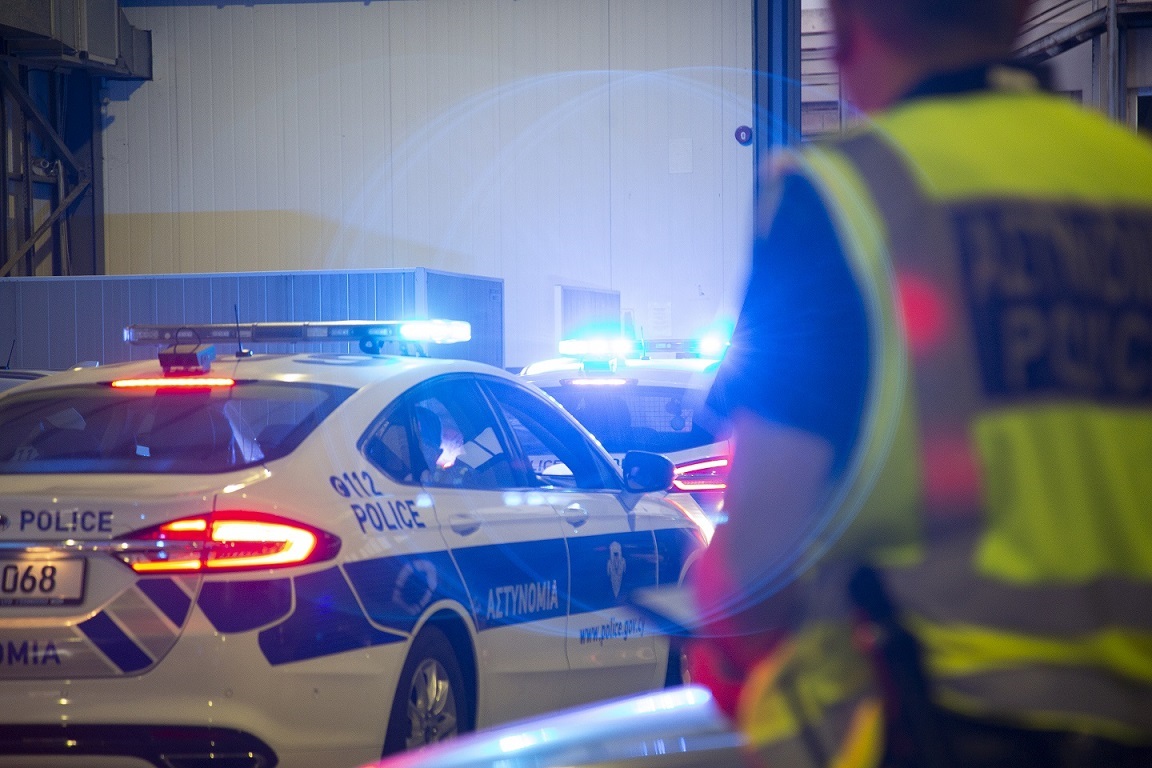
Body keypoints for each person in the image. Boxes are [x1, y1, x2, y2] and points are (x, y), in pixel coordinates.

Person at [689, 0, 1152, 766]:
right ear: (1020, 11)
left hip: (932, 728)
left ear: (843, 25)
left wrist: (722, 621)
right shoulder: (1135, 182)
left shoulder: (843, 196)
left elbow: (753, 576)